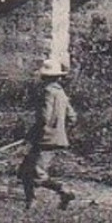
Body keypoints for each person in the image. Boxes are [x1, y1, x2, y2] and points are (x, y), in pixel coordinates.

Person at [19, 60, 77, 209]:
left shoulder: (47, 92)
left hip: (45, 138)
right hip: (56, 137)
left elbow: (44, 117)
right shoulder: (61, 93)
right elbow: (72, 117)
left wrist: (32, 134)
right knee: (25, 169)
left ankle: (63, 190)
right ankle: (30, 201)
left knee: (37, 173)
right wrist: (60, 129)